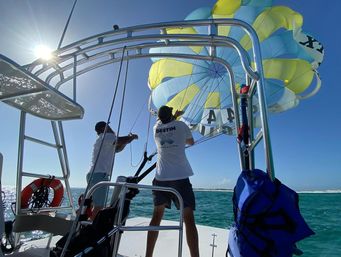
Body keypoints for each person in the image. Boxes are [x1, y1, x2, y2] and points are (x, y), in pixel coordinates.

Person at [145, 106, 199, 257]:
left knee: (156, 217)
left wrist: (174, 116)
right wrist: (178, 118)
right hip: (180, 177)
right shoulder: (181, 125)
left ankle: (148, 255)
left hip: (161, 178)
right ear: (172, 116)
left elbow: (164, 122)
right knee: (188, 219)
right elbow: (191, 142)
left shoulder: (156, 128)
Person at [87, 121, 138, 219]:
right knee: (99, 206)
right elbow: (119, 140)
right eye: (108, 126)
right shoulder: (107, 136)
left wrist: (127, 140)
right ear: (103, 128)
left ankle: (85, 226)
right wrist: (132, 137)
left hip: (93, 175)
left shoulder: (101, 140)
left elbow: (117, 149)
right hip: (100, 175)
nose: (111, 128)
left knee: (92, 204)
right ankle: (94, 231)